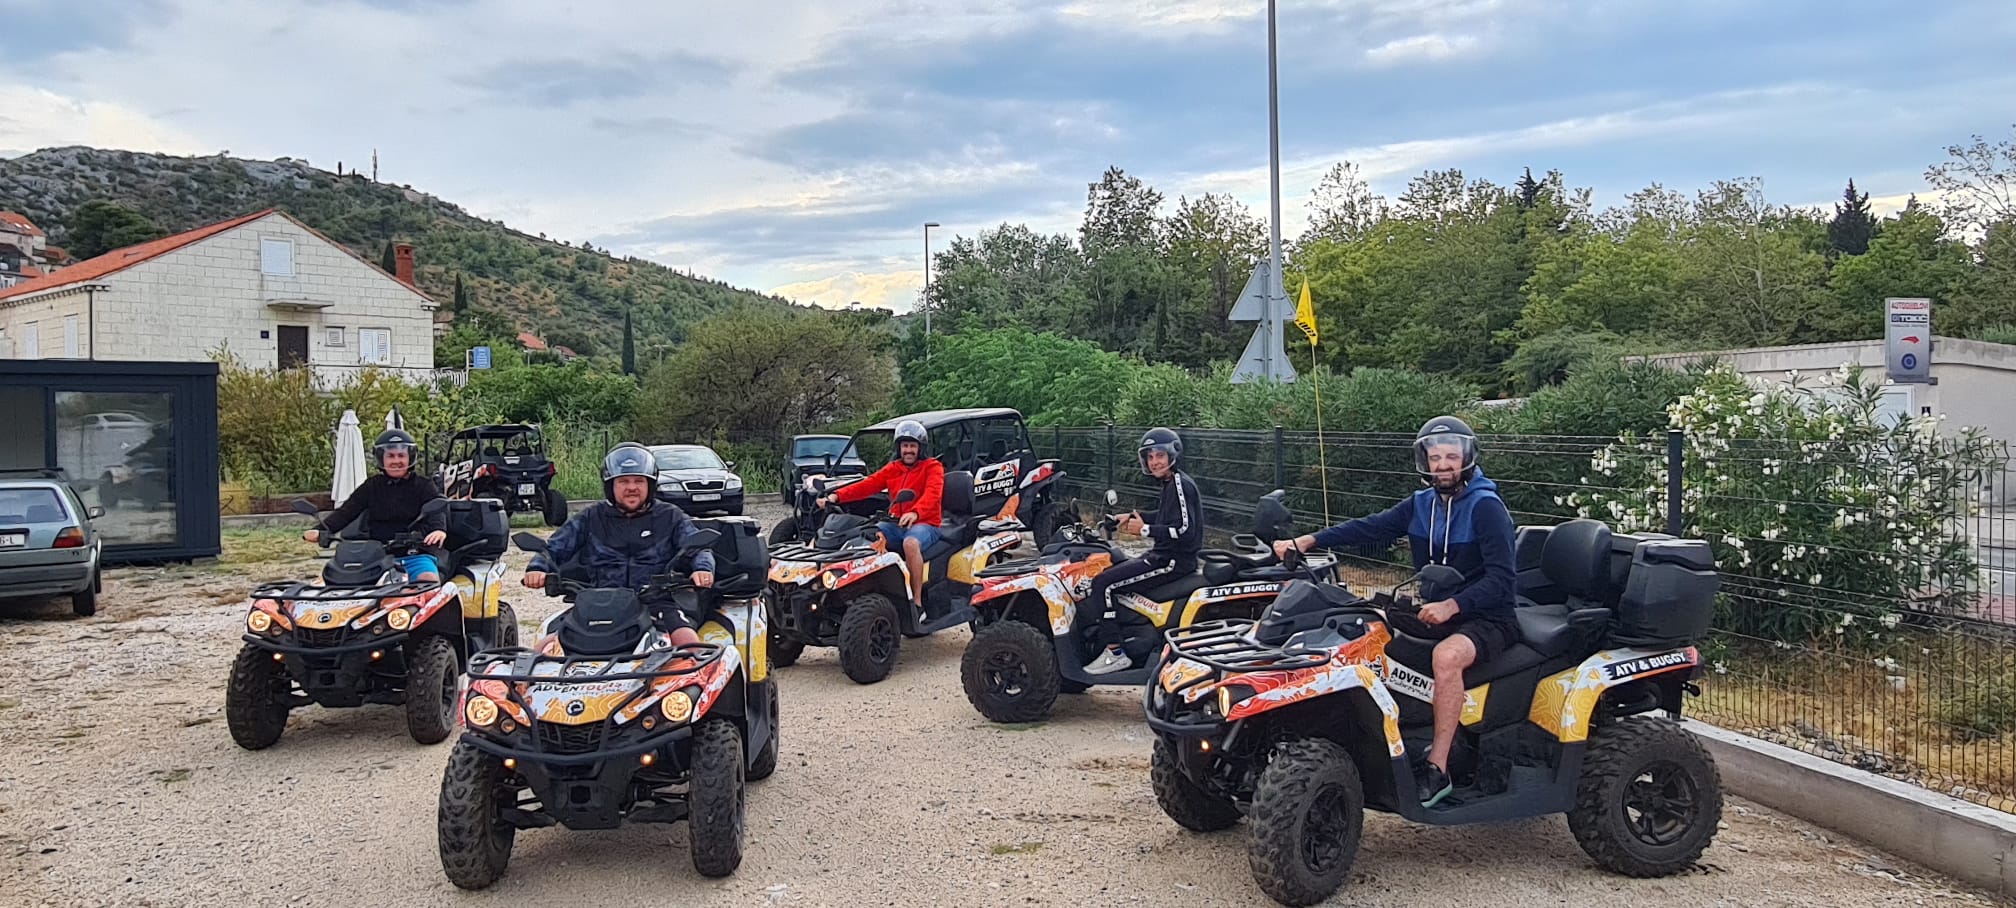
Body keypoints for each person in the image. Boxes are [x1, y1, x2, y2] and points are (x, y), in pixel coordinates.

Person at [1273, 416, 1516, 807]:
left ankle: (1438, 768)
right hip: (1436, 611)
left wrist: (1454, 604)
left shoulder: (1487, 507)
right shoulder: (1422, 504)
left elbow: (1503, 580)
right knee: (1365, 624)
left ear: (1467, 458)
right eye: (1435, 457)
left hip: (1488, 617)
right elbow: (1370, 528)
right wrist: (1309, 540)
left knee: (1446, 657)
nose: (1443, 464)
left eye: (1451, 456)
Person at [522, 442, 716, 647]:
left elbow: (698, 547)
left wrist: (702, 569)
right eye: (623, 481)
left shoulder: (671, 516)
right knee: (545, 648)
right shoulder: (590, 517)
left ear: (650, 485)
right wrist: (537, 568)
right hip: (598, 603)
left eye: (639, 481)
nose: (632, 487)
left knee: (688, 643)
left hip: (656, 601)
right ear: (610, 486)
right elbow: (554, 547)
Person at [1082, 427, 1202, 675]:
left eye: (1160, 455)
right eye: (1150, 456)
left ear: (1172, 455)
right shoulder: (1171, 483)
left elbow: (1185, 530)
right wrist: (1132, 517)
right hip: (1162, 556)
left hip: (1171, 562)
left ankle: (1114, 652)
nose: (1155, 461)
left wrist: (1144, 530)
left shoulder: (1180, 484)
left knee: (1103, 584)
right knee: (1112, 573)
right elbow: (1167, 516)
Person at [818, 419, 944, 608]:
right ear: (898, 448)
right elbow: (867, 485)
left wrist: (916, 513)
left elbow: (933, 493)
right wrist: (836, 496)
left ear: (921, 448)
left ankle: (915, 600)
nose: (908, 450)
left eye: (912, 446)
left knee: (910, 544)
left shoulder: (933, 467)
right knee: (867, 535)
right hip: (895, 523)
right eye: (904, 446)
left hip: (925, 524)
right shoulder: (893, 468)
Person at [306, 428, 448, 582]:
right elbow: (347, 511)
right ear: (381, 458)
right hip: (377, 556)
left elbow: (436, 508)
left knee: (428, 580)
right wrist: (321, 530)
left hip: (415, 553)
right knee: (333, 582)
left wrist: (438, 529)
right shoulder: (372, 486)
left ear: (410, 457)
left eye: (401, 455)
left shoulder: (423, 485)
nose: (396, 461)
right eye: (390, 456)